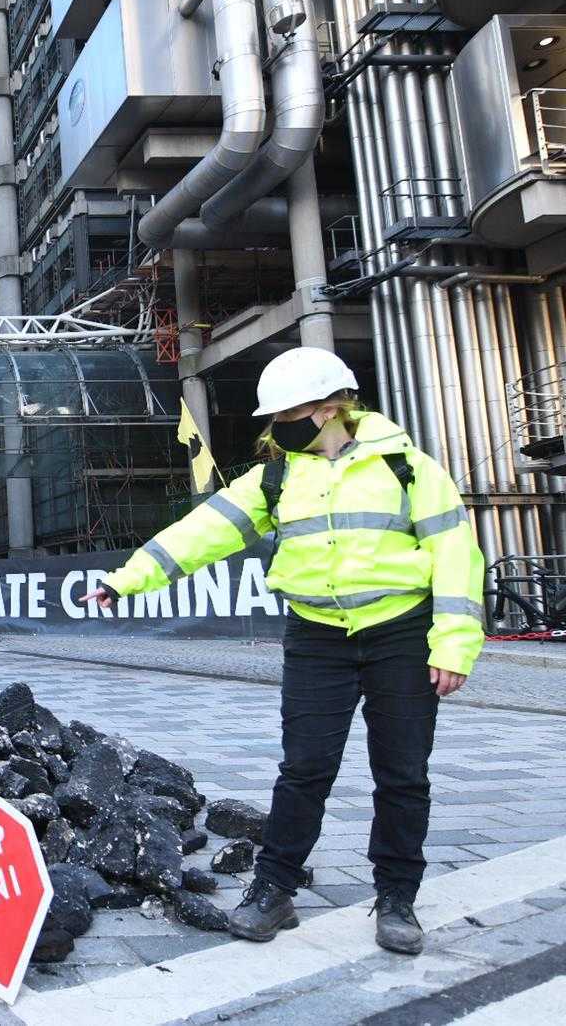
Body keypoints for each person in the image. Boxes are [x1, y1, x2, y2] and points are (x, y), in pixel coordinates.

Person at [82, 347, 484, 957]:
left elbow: (455, 555)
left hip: (400, 634)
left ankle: (397, 896)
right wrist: (126, 577)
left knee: (402, 774)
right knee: (304, 769)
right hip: (316, 635)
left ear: (329, 408)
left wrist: (453, 645)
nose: (278, 427)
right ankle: (274, 888)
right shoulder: (279, 476)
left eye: (288, 414)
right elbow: (204, 530)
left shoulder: (408, 468)